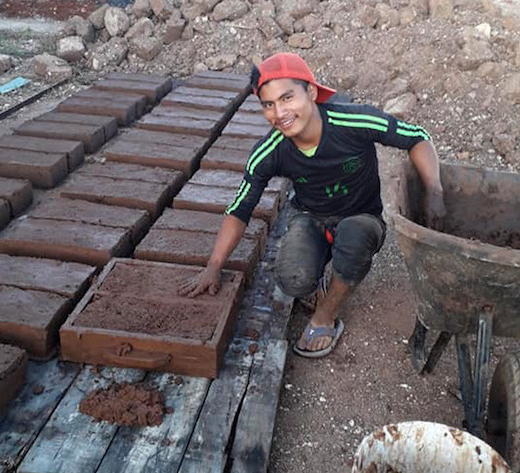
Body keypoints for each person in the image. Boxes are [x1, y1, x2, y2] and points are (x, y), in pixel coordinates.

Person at [179, 52, 445, 358]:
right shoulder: (270, 151)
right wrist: (213, 267)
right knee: (293, 279)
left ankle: (325, 316)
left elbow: (417, 138)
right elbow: (240, 209)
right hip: (311, 217)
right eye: (268, 105)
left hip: (362, 216)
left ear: (312, 92)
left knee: (354, 238)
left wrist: (434, 191)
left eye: (287, 98)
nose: (279, 113)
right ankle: (318, 277)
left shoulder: (353, 121)